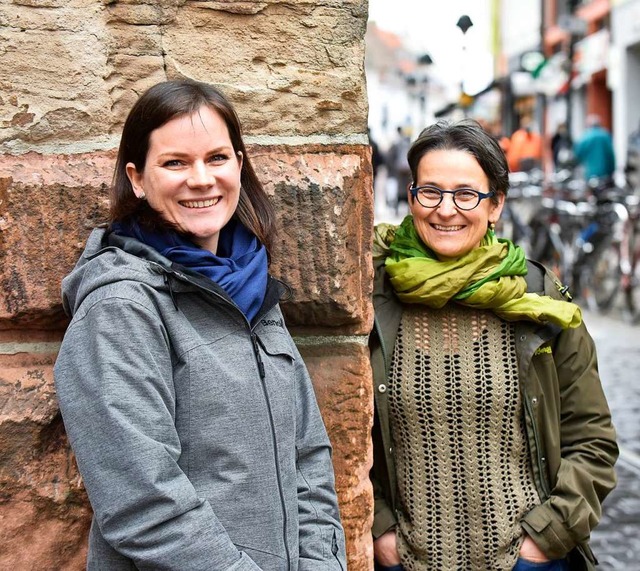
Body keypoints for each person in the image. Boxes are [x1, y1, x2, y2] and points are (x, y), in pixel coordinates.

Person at [54, 79, 346, 570]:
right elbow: (143, 503)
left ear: (238, 164)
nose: (202, 179)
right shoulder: (121, 307)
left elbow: (309, 460)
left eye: (217, 158)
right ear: (138, 178)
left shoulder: (253, 293)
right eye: (175, 162)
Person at [369, 119, 618, 571]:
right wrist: (381, 530)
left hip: (524, 563)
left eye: (467, 194)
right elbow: (340, 433)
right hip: (407, 563)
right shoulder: (375, 296)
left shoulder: (538, 297)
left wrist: (546, 539)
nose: (447, 210)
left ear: (496, 205)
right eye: (431, 192)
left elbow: (592, 439)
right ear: (411, 197)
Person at [574, 114, 615, 181]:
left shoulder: (585, 137)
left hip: (590, 172)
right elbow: (611, 154)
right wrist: (612, 169)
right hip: (605, 172)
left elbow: (578, 154)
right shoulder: (605, 135)